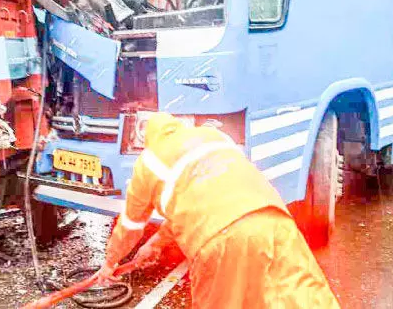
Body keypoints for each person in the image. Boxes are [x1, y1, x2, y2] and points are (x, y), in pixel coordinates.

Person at [94, 113, 340, 308]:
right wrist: (156, 243)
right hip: (273, 219)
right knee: (302, 296)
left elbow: (130, 226)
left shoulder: (148, 161)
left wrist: (110, 263)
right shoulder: (213, 136)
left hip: (220, 239)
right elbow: (209, 200)